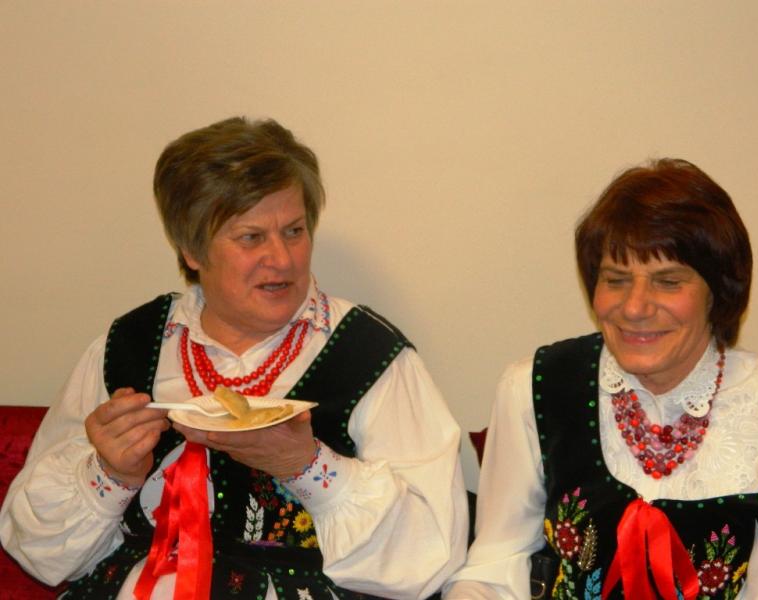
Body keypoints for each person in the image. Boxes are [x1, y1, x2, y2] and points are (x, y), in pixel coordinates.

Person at [0, 116, 468, 599]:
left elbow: (431, 558)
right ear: (192, 250)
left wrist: (305, 466)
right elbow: (36, 549)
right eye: (251, 237)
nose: (282, 259)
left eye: (294, 231)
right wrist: (110, 474)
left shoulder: (368, 355)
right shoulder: (128, 346)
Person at [444, 158, 758, 599]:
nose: (634, 307)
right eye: (615, 279)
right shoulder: (535, 387)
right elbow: (497, 567)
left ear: (718, 292)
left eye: (668, 282)